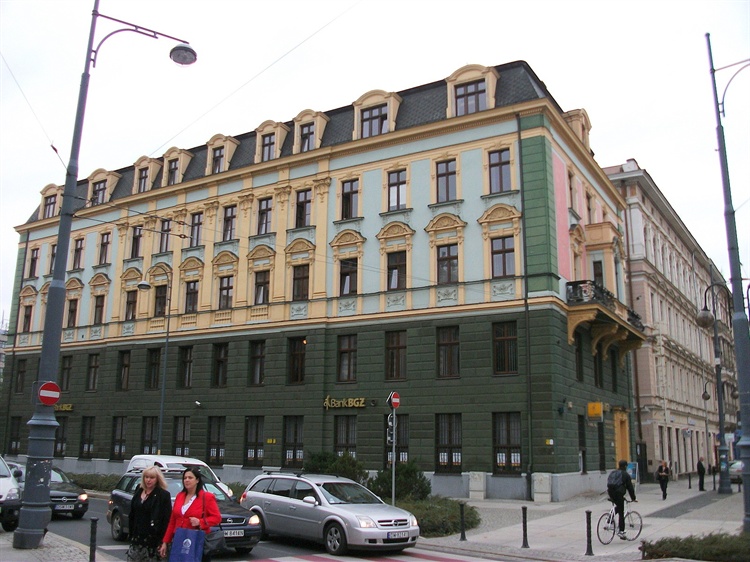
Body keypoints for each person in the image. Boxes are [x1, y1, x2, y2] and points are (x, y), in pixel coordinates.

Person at [158, 467, 221, 561]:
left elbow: (217, 518)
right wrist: (165, 542)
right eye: (185, 478)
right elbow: (172, 521)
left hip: (197, 540)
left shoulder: (207, 497)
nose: (187, 480)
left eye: (190, 478)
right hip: (179, 539)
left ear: (197, 480)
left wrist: (200, 522)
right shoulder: (180, 496)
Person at [126, 466, 173, 562]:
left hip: (153, 541)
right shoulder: (139, 491)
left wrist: (164, 542)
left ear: (157, 479)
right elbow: (132, 514)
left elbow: (166, 520)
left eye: (152, 478)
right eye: (146, 477)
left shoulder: (163, 495)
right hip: (137, 539)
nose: (148, 480)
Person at [607, 459, 637, 540]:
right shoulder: (625, 474)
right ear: (625, 466)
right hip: (619, 493)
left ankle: (610, 518)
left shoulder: (613, 472)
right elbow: (630, 487)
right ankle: (621, 531)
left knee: (618, 506)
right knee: (621, 512)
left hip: (611, 492)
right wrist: (633, 498)